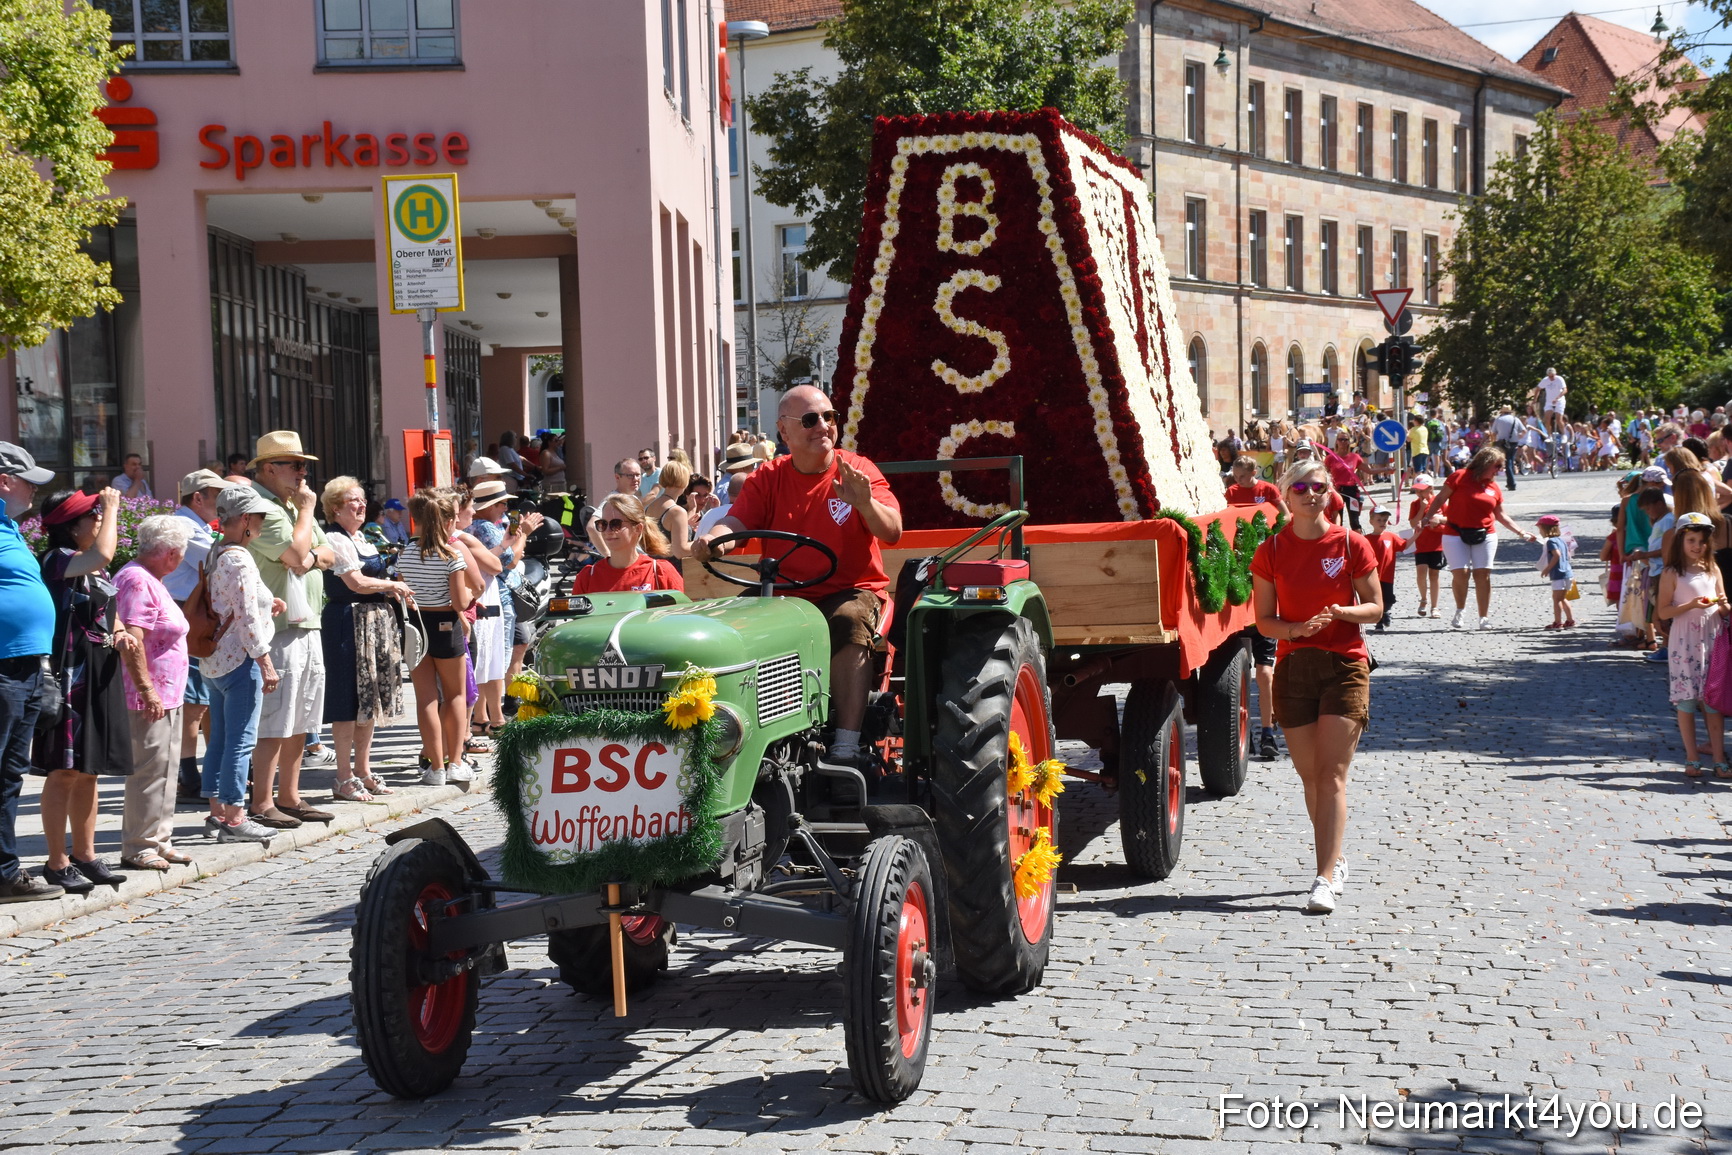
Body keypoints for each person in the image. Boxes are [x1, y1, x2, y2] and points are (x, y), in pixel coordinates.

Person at [693, 384, 903, 769]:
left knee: (846, 621)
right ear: (784, 432)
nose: (822, 426)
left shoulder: (858, 471)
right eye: (810, 420)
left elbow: (892, 531)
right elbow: (736, 521)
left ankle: (846, 743)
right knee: (733, 631)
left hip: (851, 590)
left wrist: (865, 502)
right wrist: (714, 540)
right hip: (787, 595)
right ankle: (739, 741)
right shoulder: (768, 478)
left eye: (829, 417)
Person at [1250, 459, 1381, 915]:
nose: (1310, 494)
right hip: (1294, 668)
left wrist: (1342, 612)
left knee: (1331, 775)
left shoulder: (1350, 542)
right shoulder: (1270, 551)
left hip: (1346, 664)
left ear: (1330, 493)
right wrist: (1295, 630)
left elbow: (1376, 607)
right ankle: (1336, 854)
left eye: (1318, 486)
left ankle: (1324, 876)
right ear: (1286, 496)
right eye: (1301, 487)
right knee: (1310, 776)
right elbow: (1263, 619)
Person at [32, 488, 133, 895]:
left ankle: (85, 855)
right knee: (64, 771)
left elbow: (106, 607)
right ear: (71, 527)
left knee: (89, 769)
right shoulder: (59, 560)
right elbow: (104, 554)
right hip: (70, 674)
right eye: (92, 517)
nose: (100, 523)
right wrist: (111, 507)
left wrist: (121, 629)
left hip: (98, 670)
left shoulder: (94, 571)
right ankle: (56, 861)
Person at [245, 432, 336, 830]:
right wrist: (307, 517)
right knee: (275, 717)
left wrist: (308, 553)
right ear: (269, 468)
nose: (303, 473)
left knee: (303, 715)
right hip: (276, 627)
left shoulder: (290, 507)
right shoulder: (262, 508)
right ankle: (262, 801)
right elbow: (299, 555)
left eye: (304, 465)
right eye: (295, 465)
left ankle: (290, 796)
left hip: (307, 622)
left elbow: (328, 554)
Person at [319, 477, 414, 803]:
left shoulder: (363, 537)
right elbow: (356, 582)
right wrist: (393, 587)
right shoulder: (334, 538)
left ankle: (363, 770)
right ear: (335, 508)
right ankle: (343, 776)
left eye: (361, 500)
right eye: (351, 502)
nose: (360, 506)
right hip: (348, 622)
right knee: (347, 700)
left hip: (373, 621)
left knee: (369, 698)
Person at [0, 443, 64, 902]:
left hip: (22, 665)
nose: (35, 491)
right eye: (29, 481)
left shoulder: (11, 527)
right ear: (4, 481)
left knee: (9, 775)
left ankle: (4, 873)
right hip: (2, 665)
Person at [113, 516, 196, 871]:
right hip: (147, 694)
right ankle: (139, 845)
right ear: (173, 554)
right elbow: (132, 640)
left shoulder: (152, 580)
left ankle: (159, 839)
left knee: (165, 768)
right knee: (149, 770)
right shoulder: (136, 580)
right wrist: (147, 689)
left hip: (168, 692)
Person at [200, 486, 281, 844]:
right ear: (246, 520)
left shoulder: (216, 552)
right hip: (240, 659)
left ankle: (217, 811)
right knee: (241, 741)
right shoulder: (240, 559)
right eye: (260, 517)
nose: (263, 523)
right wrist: (265, 663)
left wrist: (269, 603)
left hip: (216, 660)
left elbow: (231, 603)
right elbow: (247, 616)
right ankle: (235, 817)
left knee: (219, 738)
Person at [399, 488, 483, 787]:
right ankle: (456, 762)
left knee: (426, 699)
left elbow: (404, 590)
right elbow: (460, 601)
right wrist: (473, 595)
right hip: (446, 624)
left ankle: (434, 767)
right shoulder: (452, 554)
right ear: (448, 522)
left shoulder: (407, 552)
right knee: (455, 695)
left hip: (418, 626)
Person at [1422, 448, 1538, 630]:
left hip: (1485, 533)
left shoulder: (1494, 487)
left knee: (1482, 575)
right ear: (1485, 463)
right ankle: (1460, 610)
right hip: (1455, 532)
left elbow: (1501, 515)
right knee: (1461, 574)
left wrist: (1521, 532)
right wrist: (1427, 517)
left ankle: (1483, 617)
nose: (1499, 470)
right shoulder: (1459, 477)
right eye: (1497, 465)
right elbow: (1439, 499)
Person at [163, 469, 225, 801]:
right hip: (186, 613)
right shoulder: (185, 526)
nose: (222, 503)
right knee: (193, 702)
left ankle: (202, 770)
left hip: (194, 614)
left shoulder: (194, 524)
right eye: (218, 495)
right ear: (198, 497)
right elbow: (216, 558)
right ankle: (187, 772)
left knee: (205, 698)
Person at [464, 480, 538, 749]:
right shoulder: (485, 528)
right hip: (498, 599)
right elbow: (510, 562)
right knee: (497, 659)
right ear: (492, 506)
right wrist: (524, 535)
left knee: (489, 659)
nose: (507, 507)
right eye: (503, 503)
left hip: (489, 597)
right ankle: (494, 719)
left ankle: (483, 718)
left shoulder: (477, 527)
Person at [1656, 512, 1730, 778]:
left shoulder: (1712, 569)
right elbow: (1664, 612)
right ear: (1681, 541)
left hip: (1712, 641)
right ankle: (1691, 757)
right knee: (1686, 701)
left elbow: (1723, 605)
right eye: (1691, 540)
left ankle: (1720, 758)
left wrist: (1723, 606)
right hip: (1685, 642)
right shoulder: (1672, 572)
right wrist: (1689, 605)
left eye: (1701, 541)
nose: (1697, 546)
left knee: (1713, 702)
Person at [572, 494, 684, 594]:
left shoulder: (660, 572)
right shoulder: (587, 577)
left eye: (616, 524)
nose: (608, 531)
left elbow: (682, 614)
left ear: (638, 528)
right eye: (603, 524)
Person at [1406, 474, 1445, 618]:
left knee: (1434, 574)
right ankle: (1423, 599)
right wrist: (1422, 509)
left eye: (1422, 490)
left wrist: (1439, 521)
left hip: (1437, 544)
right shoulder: (1415, 505)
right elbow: (1412, 523)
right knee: (1421, 572)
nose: (1419, 493)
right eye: (1417, 490)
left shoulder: (1440, 502)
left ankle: (1435, 607)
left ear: (1430, 488)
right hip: (1421, 544)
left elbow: (1450, 521)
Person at [1364, 506, 1408, 630]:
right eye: (1379, 520)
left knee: (1388, 598)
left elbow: (1404, 546)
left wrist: (1417, 534)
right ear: (1371, 521)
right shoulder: (1366, 539)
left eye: (1385, 520)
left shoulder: (1391, 536)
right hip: (1372, 576)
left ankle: (1385, 612)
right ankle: (1379, 623)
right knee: (1376, 599)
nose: (1382, 523)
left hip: (1387, 575)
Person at [645, 459, 693, 562]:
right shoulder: (677, 512)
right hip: (673, 569)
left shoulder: (650, 507)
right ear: (684, 481)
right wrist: (703, 542)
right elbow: (680, 551)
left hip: (654, 567)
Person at [1534, 515, 1576, 630]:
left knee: (1556, 599)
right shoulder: (1561, 540)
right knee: (1562, 598)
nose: (1540, 532)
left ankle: (1558, 622)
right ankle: (1570, 620)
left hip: (1558, 573)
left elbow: (1556, 555)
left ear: (1545, 529)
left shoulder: (1551, 542)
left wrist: (1547, 568)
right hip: (1567, 573)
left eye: (1540, 529)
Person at [1489, 406, 1524, 490]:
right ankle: (1510, 482)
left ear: (1502, 412)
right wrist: (1518, 437)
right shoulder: (1516, 419)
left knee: (1508, 462)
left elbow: (1493, 432)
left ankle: (1512, 483)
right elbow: (1524, 431)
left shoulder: (1499, 420)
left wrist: (1493, 441)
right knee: (1510, 461)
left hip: (1503, 443)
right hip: (1514, 442)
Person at [1534, 368, 1568, 440]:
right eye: (1549, 376)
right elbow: (1538, 389)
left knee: (1559, 419)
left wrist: (1557, 398)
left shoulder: (1559, 379)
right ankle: (1549, 435)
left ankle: (1564, 434)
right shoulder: (1545, 380)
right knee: (1547, 419)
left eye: (1552, 376)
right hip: (1549, 402)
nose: (1551, 378)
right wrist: (1535, 399)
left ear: (1555, 374)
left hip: (1559, 401)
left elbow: (1565, 390)